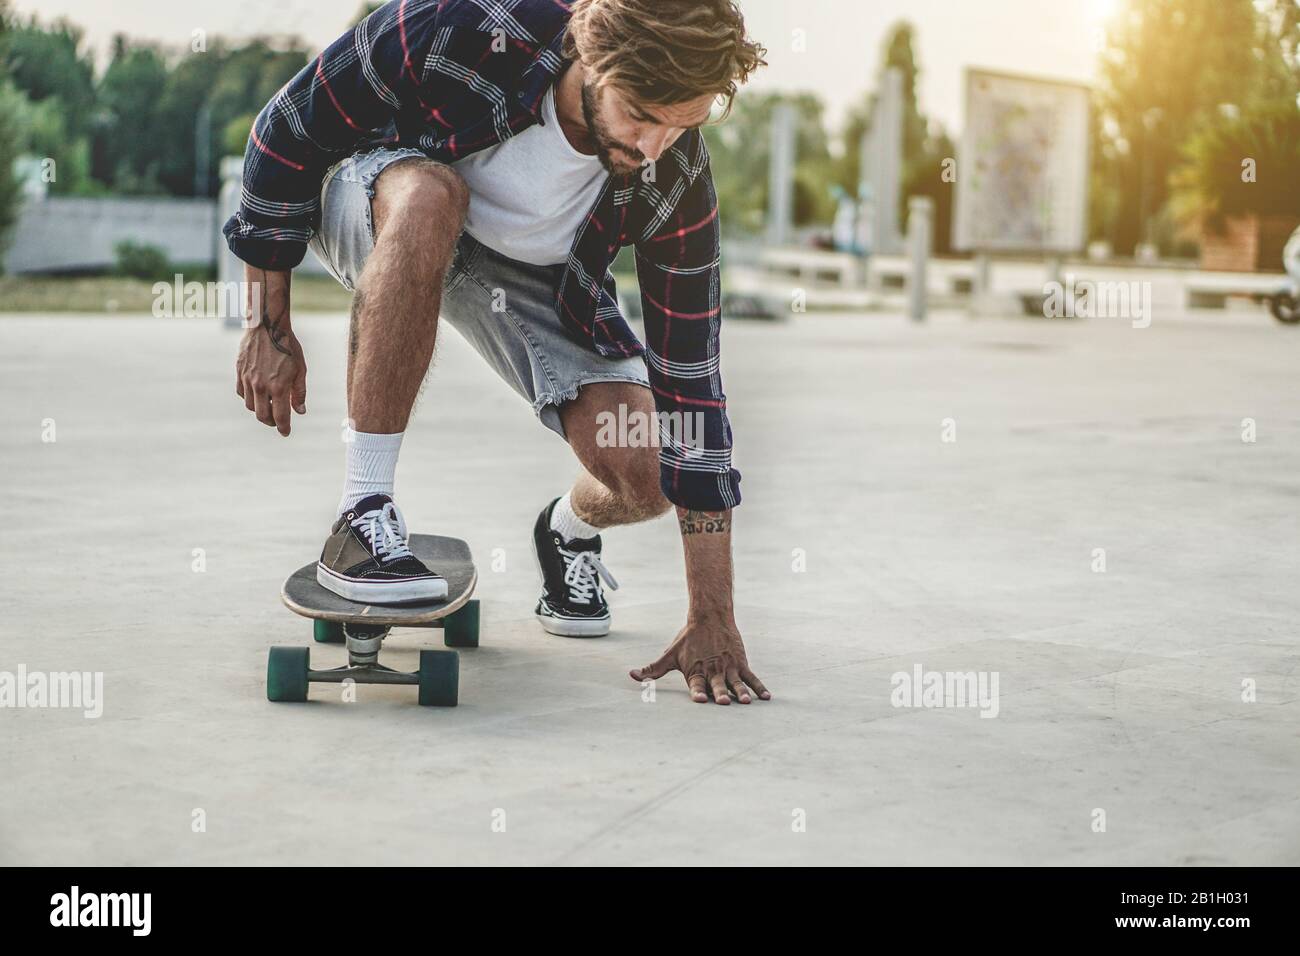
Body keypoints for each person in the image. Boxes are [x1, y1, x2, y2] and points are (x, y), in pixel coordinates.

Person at [226, 0, 770, 705]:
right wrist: (265, 326)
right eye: (641, 112)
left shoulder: (674, 178)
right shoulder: (469, 25)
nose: (656, 145)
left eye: (683, 123)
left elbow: (693, 385)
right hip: (387, 198)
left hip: (534, 275)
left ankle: (565, 532)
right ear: (591, 56)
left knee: (647, 468)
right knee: (429, 196)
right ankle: (362, 516)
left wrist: (712, 615)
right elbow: (287, 129)